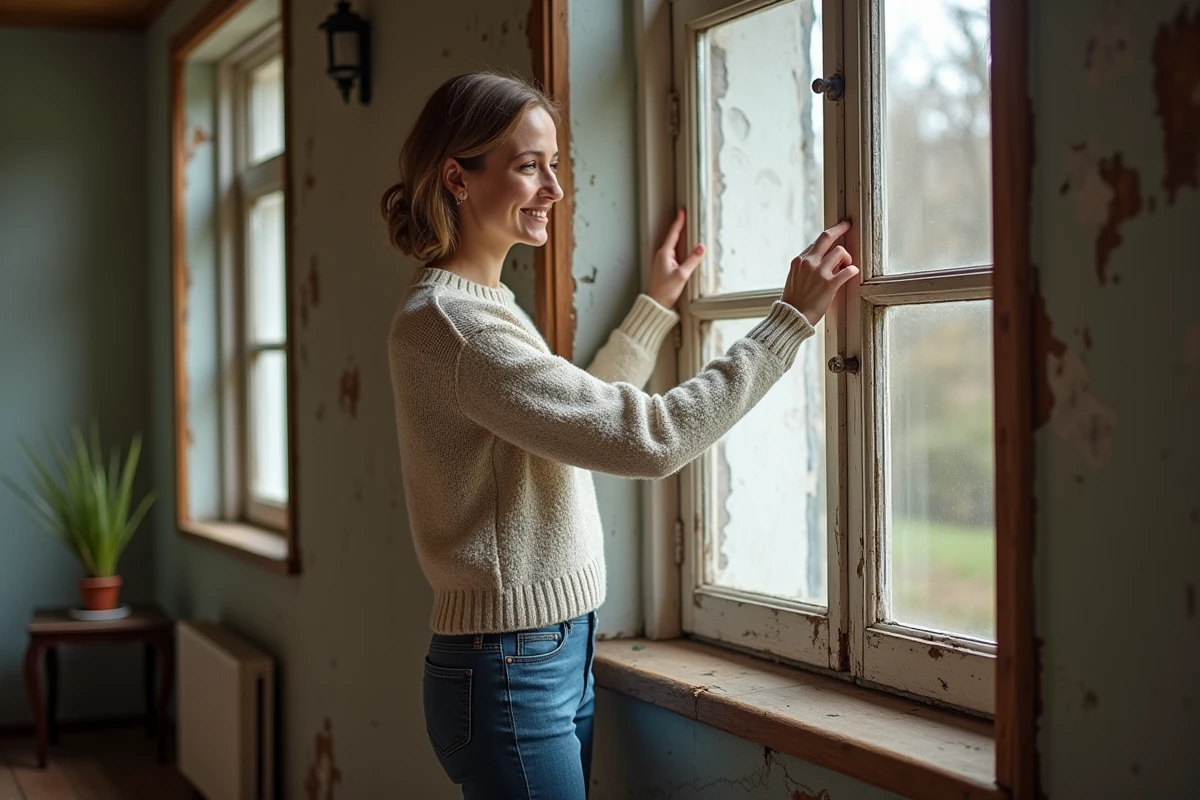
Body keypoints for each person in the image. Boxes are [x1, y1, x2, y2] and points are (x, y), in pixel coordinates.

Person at [381, 71, 858, 800]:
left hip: (539, 654)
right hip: (513, 667)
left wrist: (652, 309)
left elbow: (561, 421)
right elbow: (648, 439)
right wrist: (786, 324)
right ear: (458, 177)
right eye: (529, 165)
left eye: (557, 165)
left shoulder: (479, 309)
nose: (555, 189)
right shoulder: (457, 327)